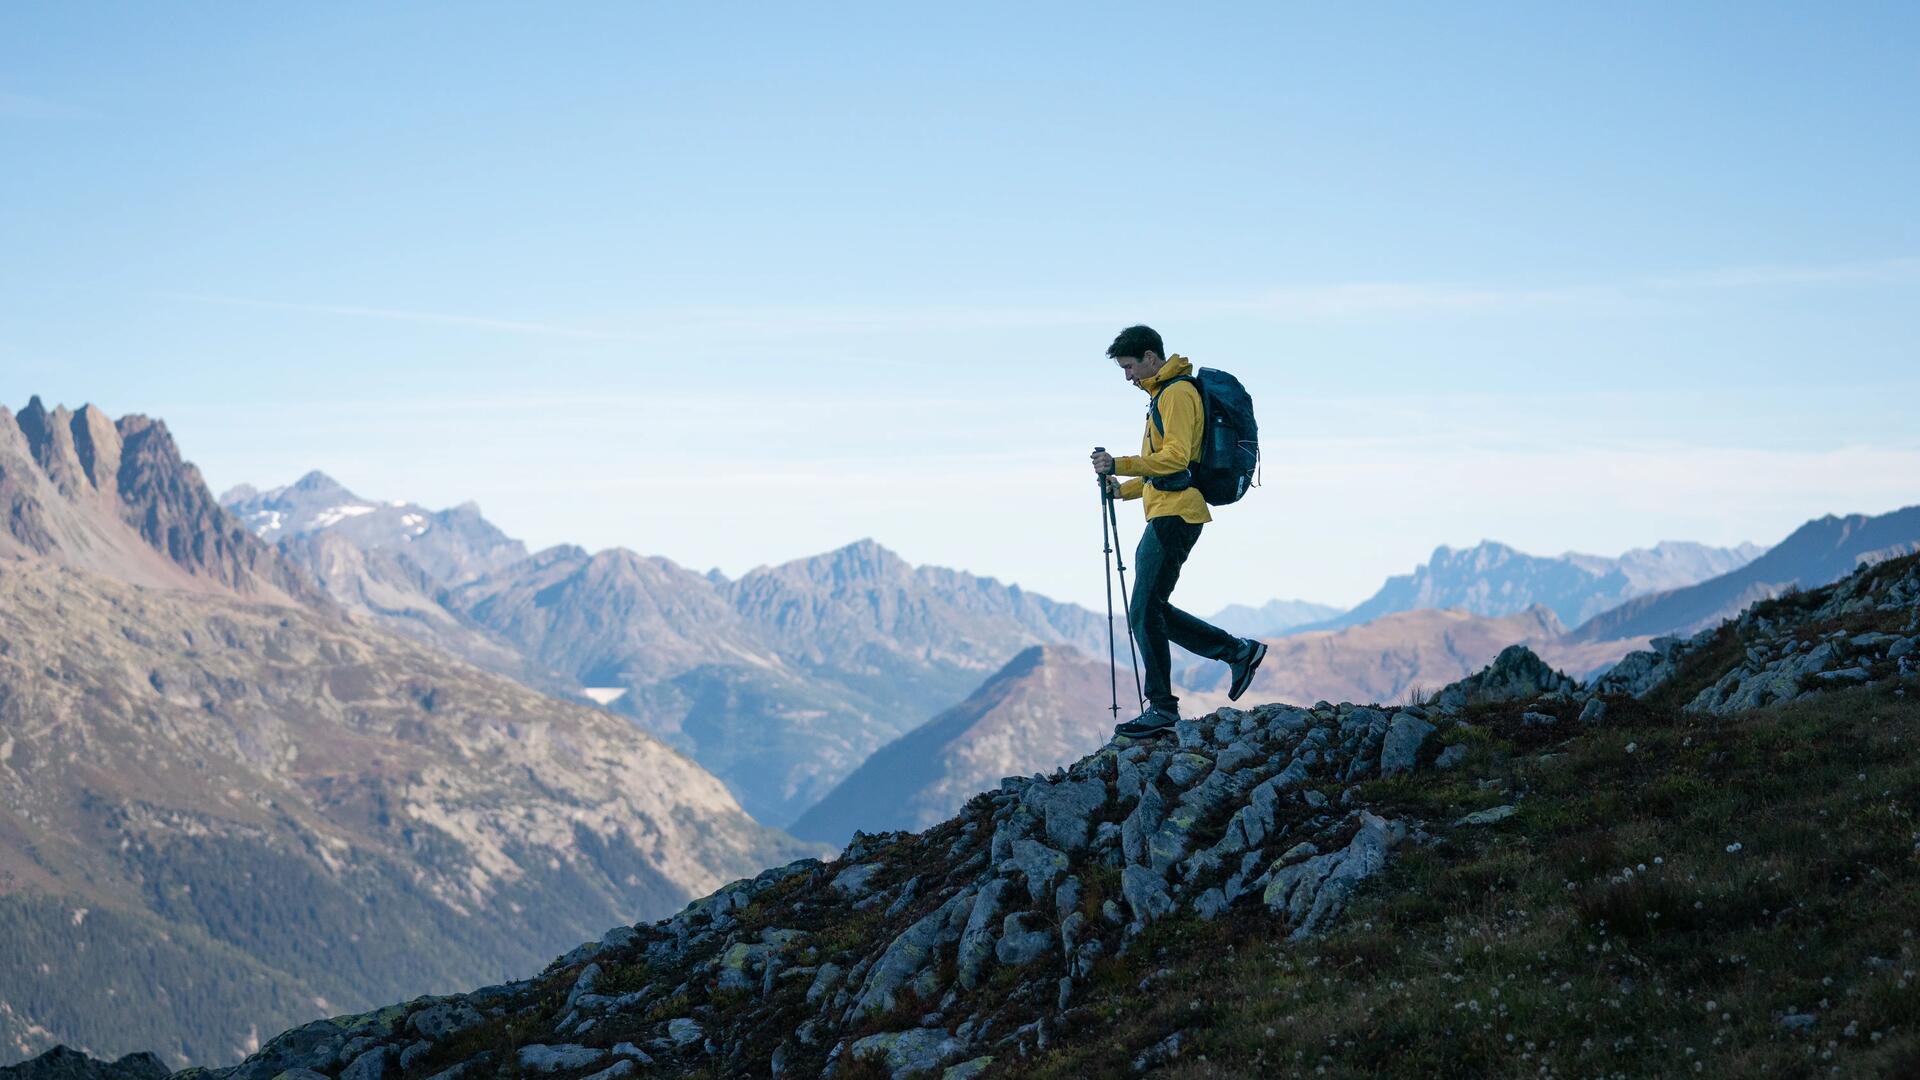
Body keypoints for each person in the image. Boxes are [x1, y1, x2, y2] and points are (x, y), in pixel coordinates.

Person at [1090, 324, 1267, 738]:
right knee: (1152, 610)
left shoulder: (1177, 395)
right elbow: (1167, 469)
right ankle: (1237, 652)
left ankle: (1164, 708)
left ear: (1151, 357)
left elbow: (1174, 461)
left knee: (1143, 611)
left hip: (1176, 516)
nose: (1128, 377)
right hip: (1166, 512)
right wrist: (1125, 490)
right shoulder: (1164, 396)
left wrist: (1119, 464)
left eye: (1130, 366)